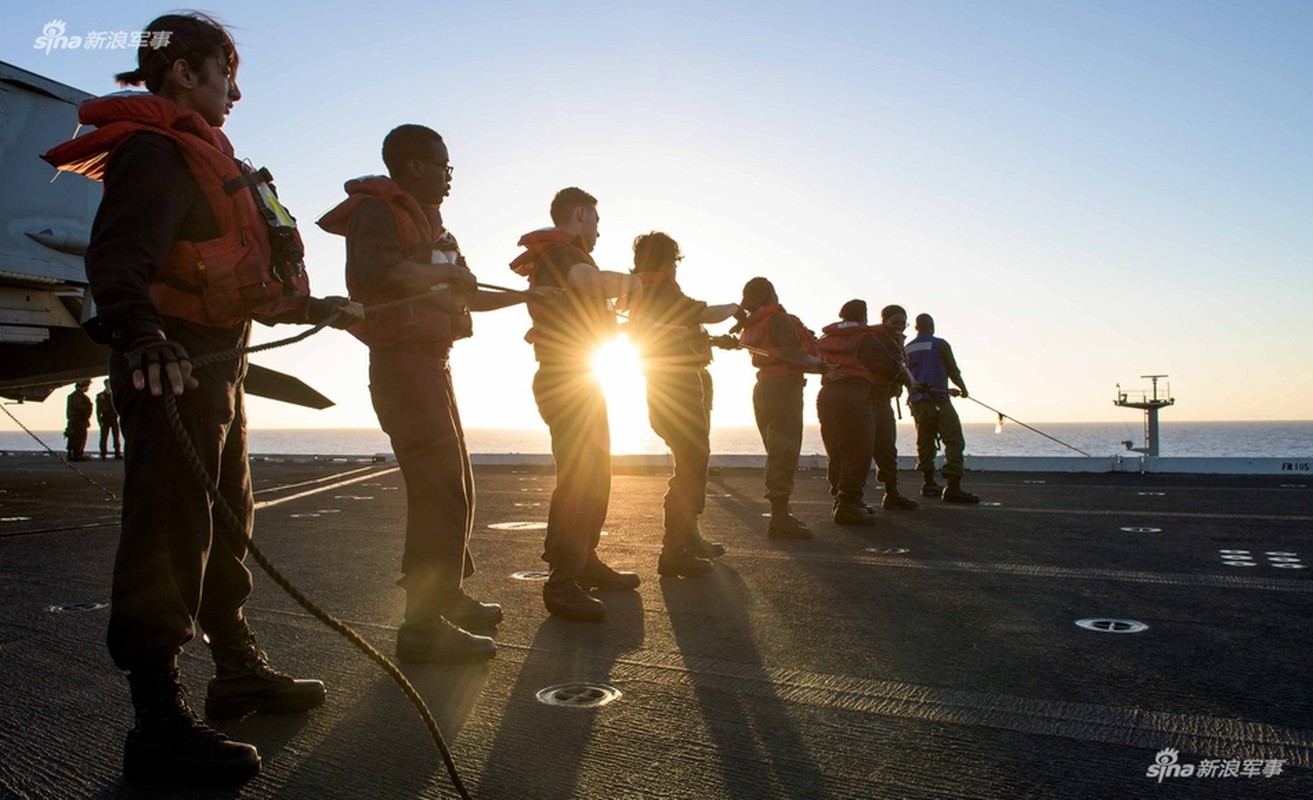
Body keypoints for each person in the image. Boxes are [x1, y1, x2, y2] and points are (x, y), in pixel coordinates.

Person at [43, 12, 363, 783]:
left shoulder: (205, 160)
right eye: (226, 71)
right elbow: (118, 256)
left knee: (226, 518)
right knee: (169, 531)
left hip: (215, 363)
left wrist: (318, 307)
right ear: (184, 73)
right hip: (173, 365)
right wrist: (145, 337)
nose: (236, 90)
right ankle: (157, 718)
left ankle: (236, 668)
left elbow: (228, 270)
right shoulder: (155, 152)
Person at [318, 124, 558, 662]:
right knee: (438, 488)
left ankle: (446, 594)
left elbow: (464, 292)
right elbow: (378, 271)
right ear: (412, 167)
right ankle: (421, 627)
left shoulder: (431, 226)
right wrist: (439, 278)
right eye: (443, 166)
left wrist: (526, 296)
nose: (450, 177)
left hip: (433, 363)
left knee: (459, 484)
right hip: (403, 365)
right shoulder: (376, 212)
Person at [509, 188, 644, 621]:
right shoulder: (564, 257)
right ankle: (562, 582)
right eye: (597, 222)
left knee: (595, 473)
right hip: (566, 379)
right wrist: (633, 283)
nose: (599, 232)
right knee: (579, 478)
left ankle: (585, 560)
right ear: (582, 214)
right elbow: (588, 283)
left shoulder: (566, 257)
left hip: (580, 376)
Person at [628, 232, 741, 574]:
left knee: (691, 462)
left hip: (667, 383)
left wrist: (718, 341)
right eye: (675, 261)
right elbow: (707, 312)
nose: (676, 267)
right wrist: (740, 309)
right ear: (667, 259)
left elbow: (683, 327)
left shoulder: (646, 291)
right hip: (675, 386)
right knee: (692, 463)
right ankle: (673, 549)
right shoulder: (660, 290)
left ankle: (687, 537)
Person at [734, 277, 824, 538]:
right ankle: (781, 517)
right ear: (772, 294)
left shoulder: (753, 324)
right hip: (784, 389)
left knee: (776, 451)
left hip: (763, 389)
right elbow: (796, 356)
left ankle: (781, 513)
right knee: (784, 451)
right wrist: (822, 365)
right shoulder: (779, 320)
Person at [816, 300, 914, 525]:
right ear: (865, 316)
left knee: (837, 451)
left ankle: (840, 499)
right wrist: (910, 380)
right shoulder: (866, 338)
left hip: (827, 395)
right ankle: (848, 504)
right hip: (857, 395)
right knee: (858, 451)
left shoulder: (826, 339)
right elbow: (890, 367)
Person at [905, 313, 980, 503]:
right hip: (939, 400)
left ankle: (928, 483)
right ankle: (953, 486)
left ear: (916, 327)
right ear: (932, 326)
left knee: (925, 442)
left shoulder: (907, 348)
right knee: (954, 440)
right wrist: (963, 389)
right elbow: (952, 370)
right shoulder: (940, 345)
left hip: (918, 403)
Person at [870, 305, 921, 511]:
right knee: (860, 452)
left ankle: (892, 493)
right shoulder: (876, 341)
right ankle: (847, 500)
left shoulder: (896, 342)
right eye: (895, 322)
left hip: (885, 402)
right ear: (884, 320)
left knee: (888, 449)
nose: (899, 327)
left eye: (903, 323)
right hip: (869, 402)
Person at [65, 380, 93, 461]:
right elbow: (79, 407)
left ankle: (73, 454)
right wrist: (88, 408)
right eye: (87, 386)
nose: (88, 388)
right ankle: (77, 454)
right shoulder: (79, 396)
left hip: (74, 420)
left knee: (73, 437)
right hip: (79, 420)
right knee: (80, 437)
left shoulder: (71, 396)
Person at [97, 378, 123, 459]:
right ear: (106, 385)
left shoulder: (115, 395)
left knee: (116, 436)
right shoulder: (100, 396)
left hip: (114, 418)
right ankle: (103, 453)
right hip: (105, 418)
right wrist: (99, 420)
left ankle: (117, 453)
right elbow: (98, 410)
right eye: (108, 384)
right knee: (104, 436)